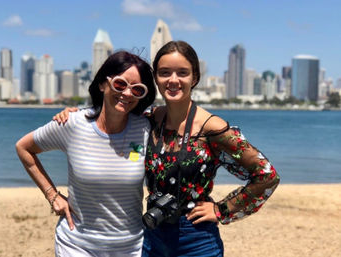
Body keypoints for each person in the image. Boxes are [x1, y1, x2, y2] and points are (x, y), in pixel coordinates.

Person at [54, 41, 280, 257]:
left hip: (196, 239)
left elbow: (266, 175)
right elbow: (112, 112)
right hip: (152, 234)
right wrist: (78, 115)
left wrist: (221, 210)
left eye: (182, 72)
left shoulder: (212, 128)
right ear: (156, 79)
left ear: (195, 78)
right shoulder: (149, 119)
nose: (173, 80)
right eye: (164, 72)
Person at [16, 51, 156, 257]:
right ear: (102, 84)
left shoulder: (146, 128)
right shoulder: (73, 124)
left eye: (137, 89)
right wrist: (52, 195)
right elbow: (24, 148)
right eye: (120, 84)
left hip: (131, 247)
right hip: (76, 245)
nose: (127, 93)